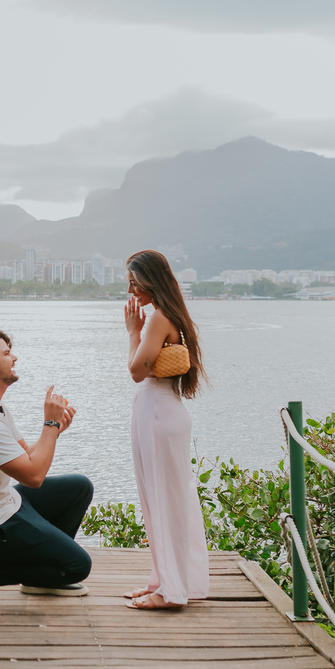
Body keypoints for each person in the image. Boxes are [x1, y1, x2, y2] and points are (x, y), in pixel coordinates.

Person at [0, 328, 94, 607]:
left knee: (79, 488)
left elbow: (27, 455)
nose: (15, 358)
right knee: (77, 566)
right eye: (7, 353)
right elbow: (34, 476)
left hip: (3, 502)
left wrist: (54, 430)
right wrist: (49, 423)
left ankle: (44, 572)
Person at [123, 250, 210, 610]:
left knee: (164, 499)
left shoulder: (158, 318)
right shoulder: (171, 314)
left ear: (151, 280)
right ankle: (166, 580)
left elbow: (137, 369)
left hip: (158, 413)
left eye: (134, 281)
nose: (130, 289)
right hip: (160, 411)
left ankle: (171, 591)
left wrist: (133, 331)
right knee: (162, 499)